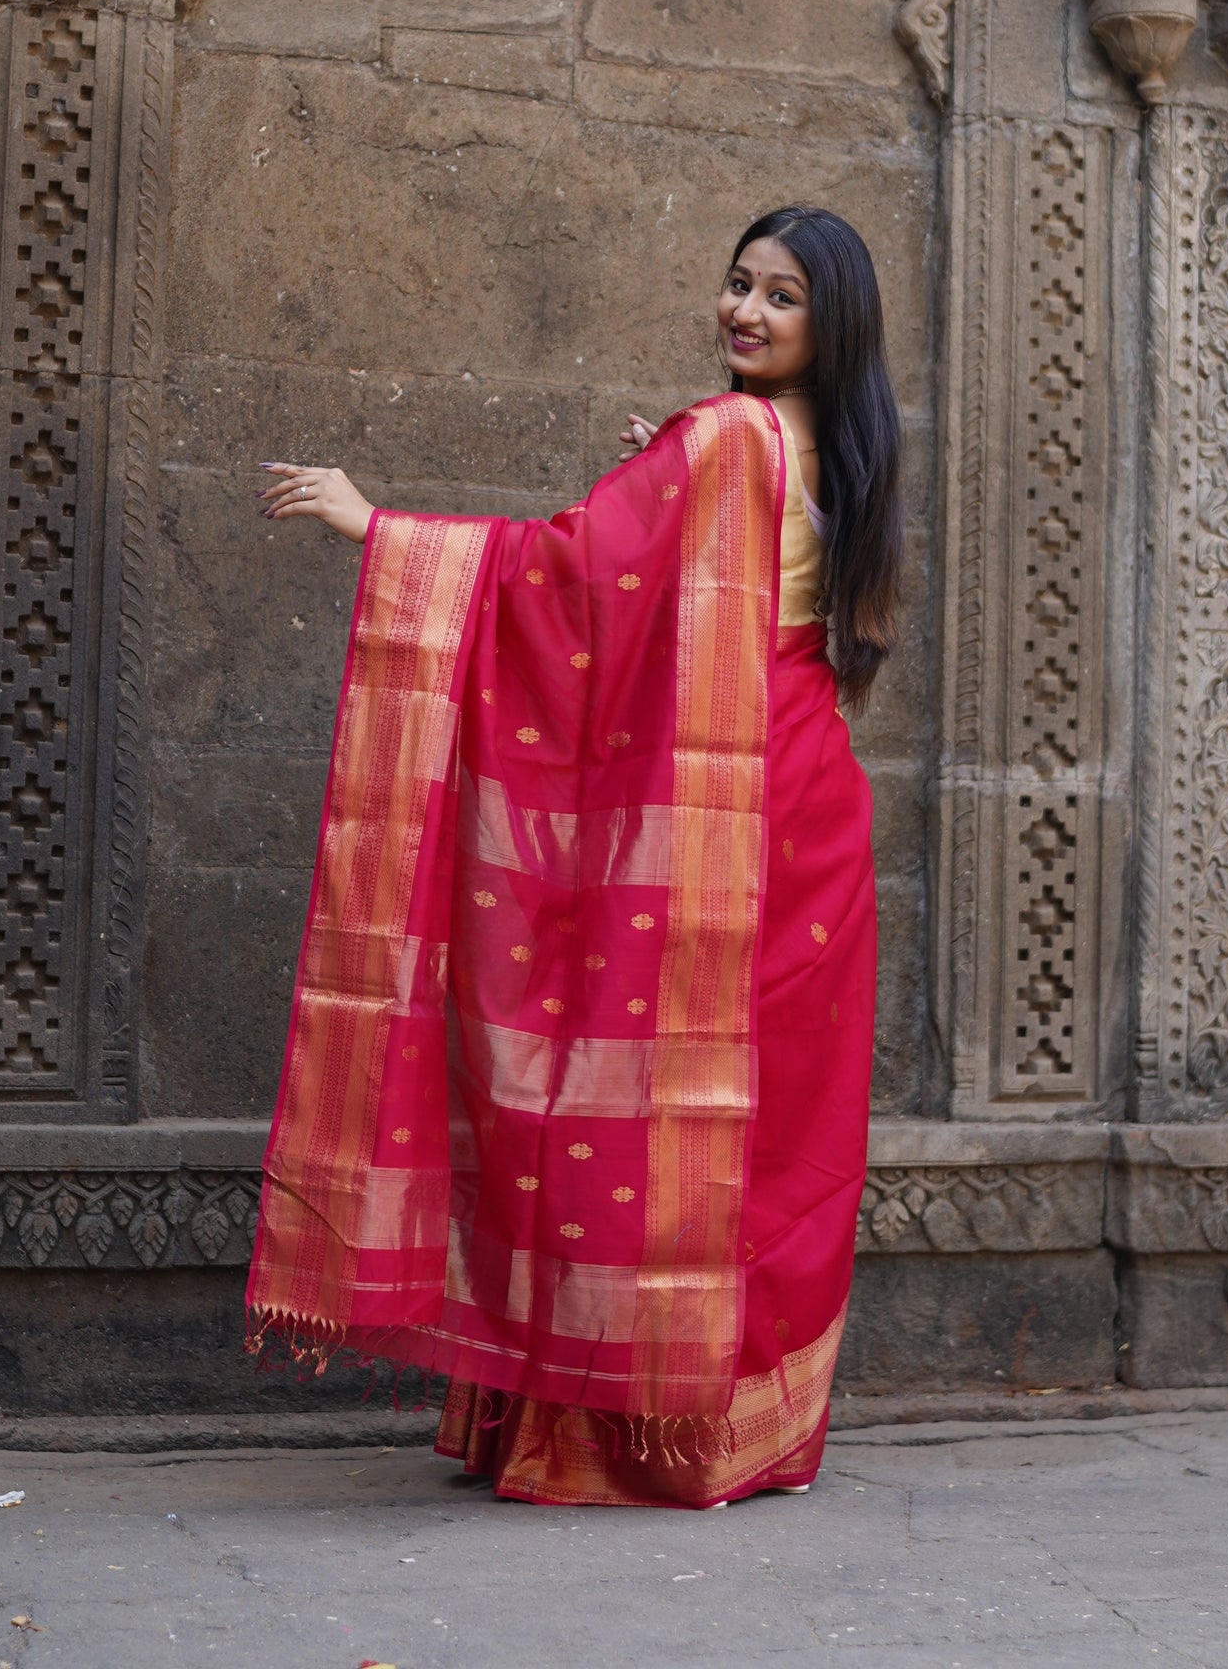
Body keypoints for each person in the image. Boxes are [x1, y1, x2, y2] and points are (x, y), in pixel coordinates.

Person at [249, 205, 902, 1509]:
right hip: (808, 813)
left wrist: (372, 528)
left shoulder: (722, 438)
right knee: (764, 1133)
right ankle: (731, 1431)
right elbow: (757, 608)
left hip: (713, 829)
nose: (745, 314)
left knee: (624, 1095)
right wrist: (661, 476)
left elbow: (564, 573)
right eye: (736, 286)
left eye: (780, 298)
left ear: (829, 323)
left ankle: (610, 1433)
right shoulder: (840, 452)